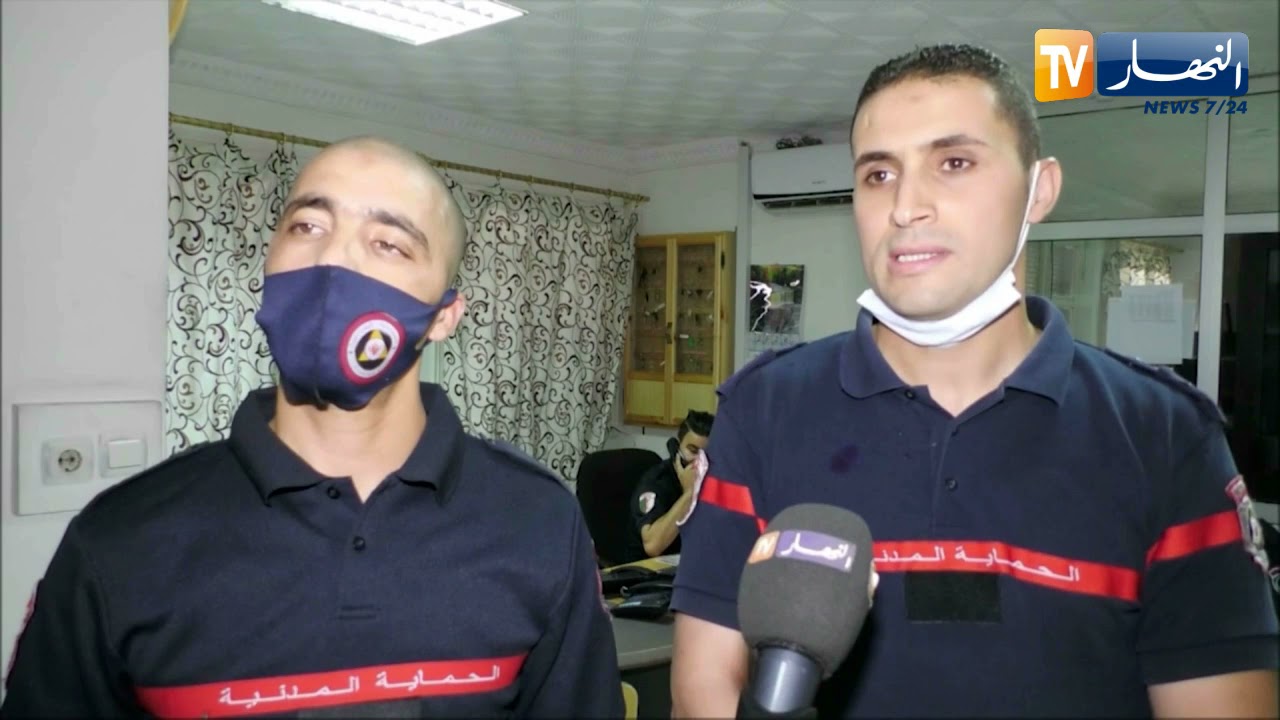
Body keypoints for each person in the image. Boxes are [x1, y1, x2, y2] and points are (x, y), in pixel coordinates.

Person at [670, 44, 1279, 718]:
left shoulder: (1164, 433)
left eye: (954, 163)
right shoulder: (763, 408)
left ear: (1039, 190)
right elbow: (704, 687)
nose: (906, 207)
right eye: (879, 174)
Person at [2, 137, 623, 718]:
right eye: (307, 226)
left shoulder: (538, 522)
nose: (333, 259)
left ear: (443, 317)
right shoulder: (119, 540)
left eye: (388, 244)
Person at [623, 411, 714, 562]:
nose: (699, 461)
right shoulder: (656, 482)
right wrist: (689, 494)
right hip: (646, 570)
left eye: (707, 454)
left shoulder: (714, 480)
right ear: (678, 448)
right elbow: (652, 546)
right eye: (693, 451)